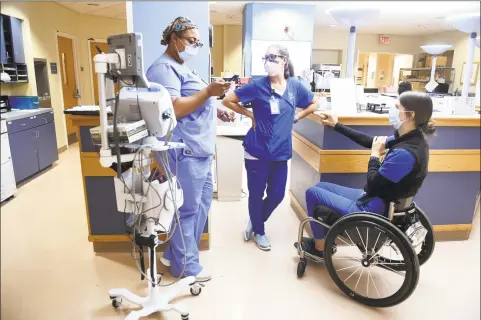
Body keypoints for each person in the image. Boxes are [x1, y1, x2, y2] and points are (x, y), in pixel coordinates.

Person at [295, 91, 435, 258]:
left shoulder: (405, 153)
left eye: (397, 107)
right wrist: (336, 125)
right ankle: (325, 240)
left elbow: (371, 184)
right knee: (321, 187)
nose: (393, 110)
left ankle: (319, 249)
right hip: (378, 198)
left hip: (373, 206)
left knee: (312, 193)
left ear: (410, 115)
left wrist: (374, 156)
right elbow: (371, 141)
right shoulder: (410, 138)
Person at [145, 16, 233, 282]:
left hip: (201, 151)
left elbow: (191, 102)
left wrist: (215, 109)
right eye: (191, 41)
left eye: (198, 42)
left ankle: (174, 255)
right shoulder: (163, 69)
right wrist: (208, 92)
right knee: (187, 210)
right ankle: (186, 268)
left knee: (201, 207)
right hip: (185, 152)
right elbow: (172, 109)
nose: (195, 46)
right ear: (175, 39)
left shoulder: (182, 66)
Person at [222, 44, 318, 251]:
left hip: (281, 151)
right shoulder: (257, 86)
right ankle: (259, 230)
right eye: (265, 57)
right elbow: (228, 100)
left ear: (284, 60)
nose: (268, 61)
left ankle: (255, 221)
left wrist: (298, 116)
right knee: (256, 194)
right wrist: (250, 115)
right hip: (257, 149)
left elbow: (314, 103)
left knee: (277, 194)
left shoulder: (295, 86)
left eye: (272, 57)